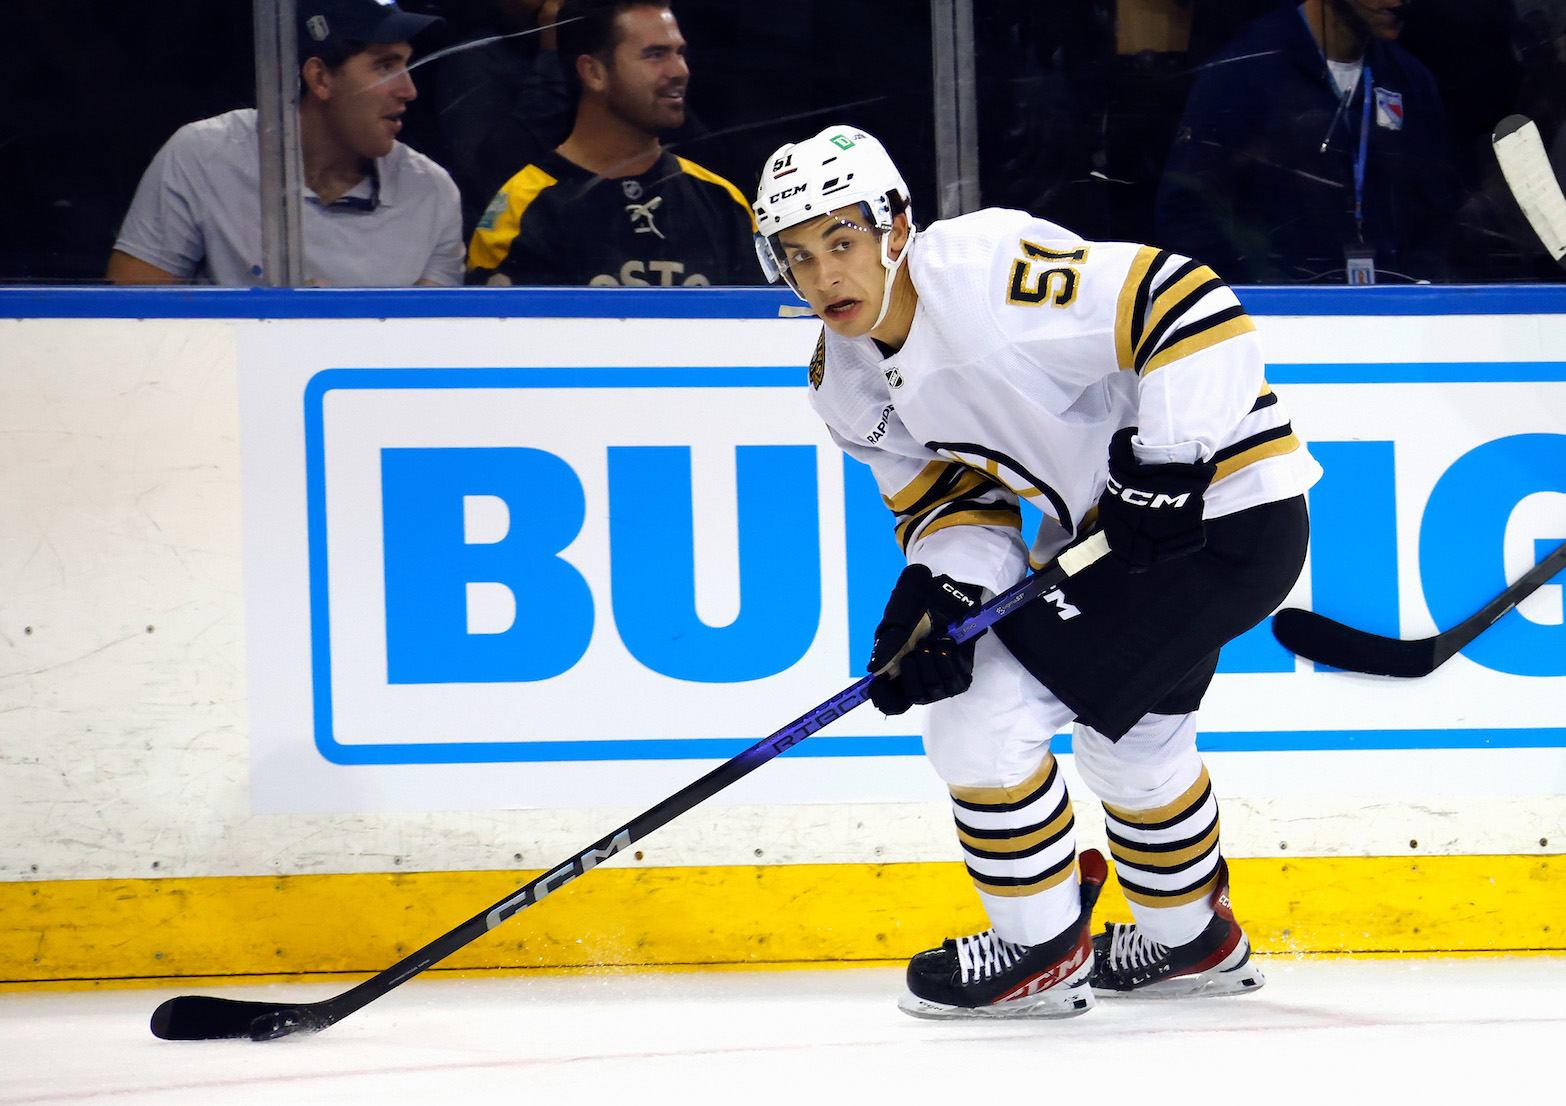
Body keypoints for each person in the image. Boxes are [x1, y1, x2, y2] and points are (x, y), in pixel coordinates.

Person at [752, 125, 1322, 1018]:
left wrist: (1169, 463)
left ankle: (1039, 947)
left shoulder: (983, 270)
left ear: (896, 226)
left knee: (980, 718)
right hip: (1122, 537)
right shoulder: (844, 379)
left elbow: (1189, 303)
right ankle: (1192, 943)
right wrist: (941, 597)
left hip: (1220, 512)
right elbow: (955, 509)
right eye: (797, 255)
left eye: (843, 241)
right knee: (1132, 745)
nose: (824, 275)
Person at [108, 0, 463, 287]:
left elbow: (422, 352)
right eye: (385, 66)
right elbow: (133, 326)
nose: (409, 91)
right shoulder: (202, 155)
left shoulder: (432, 194)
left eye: (406, 65)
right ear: (320, 78)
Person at [1154, 0, 1462, 284]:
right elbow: (1187, 213)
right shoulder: (1244, 71)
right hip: (1279, 323)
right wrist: (1256, 301)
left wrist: (1419, 296)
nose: (1401, 0)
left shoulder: (1410, 81)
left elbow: (1434, 217)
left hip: (1390, 321)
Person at [466, 0, 760, 286]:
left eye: (679, 52)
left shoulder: (723, 201)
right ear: (594, 72)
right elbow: (497, 333)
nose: (679, 70)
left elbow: (771, 325)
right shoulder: (522, 211)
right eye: (655, 55)